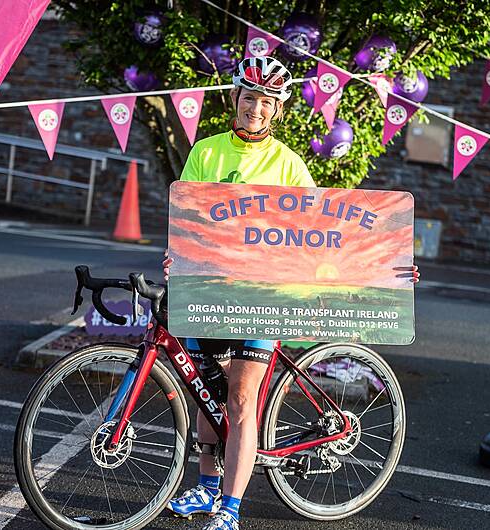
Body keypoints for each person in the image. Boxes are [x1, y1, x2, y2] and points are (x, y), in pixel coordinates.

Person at [162, 56, 419, 530]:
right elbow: (189, 219)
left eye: (265, 101)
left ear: (276, 110)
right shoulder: (207, 152)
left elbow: (319, 233)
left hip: (264, 297)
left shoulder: (289, 164)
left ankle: (229, 507)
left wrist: (386, 267)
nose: (255, 108)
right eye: (248, 97)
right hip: (212, 292)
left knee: (240, 398)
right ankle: (204, 482)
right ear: (234, 100)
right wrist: (176, 254)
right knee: (206, 394)